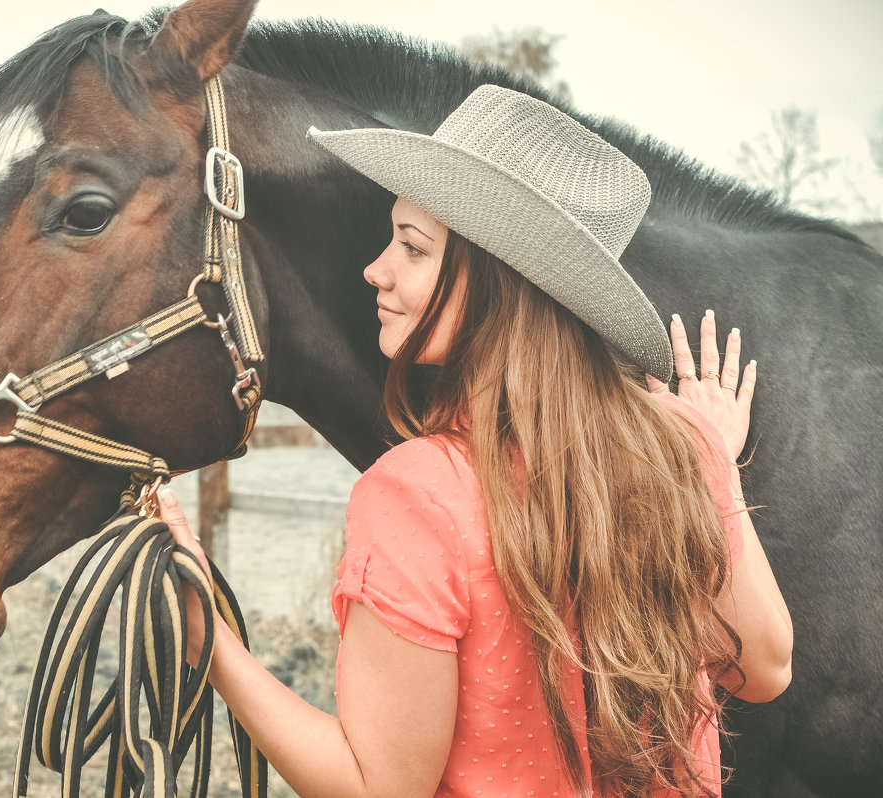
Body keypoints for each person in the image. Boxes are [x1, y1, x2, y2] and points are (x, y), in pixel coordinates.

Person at [158, 85, 792, 798]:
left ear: (502, 281)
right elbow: (764, 670)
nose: (377, 269)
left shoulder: (416, 496)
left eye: (412, 248)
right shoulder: (680, 452)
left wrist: (207, 635)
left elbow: (375, 787)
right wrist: (714, 459)